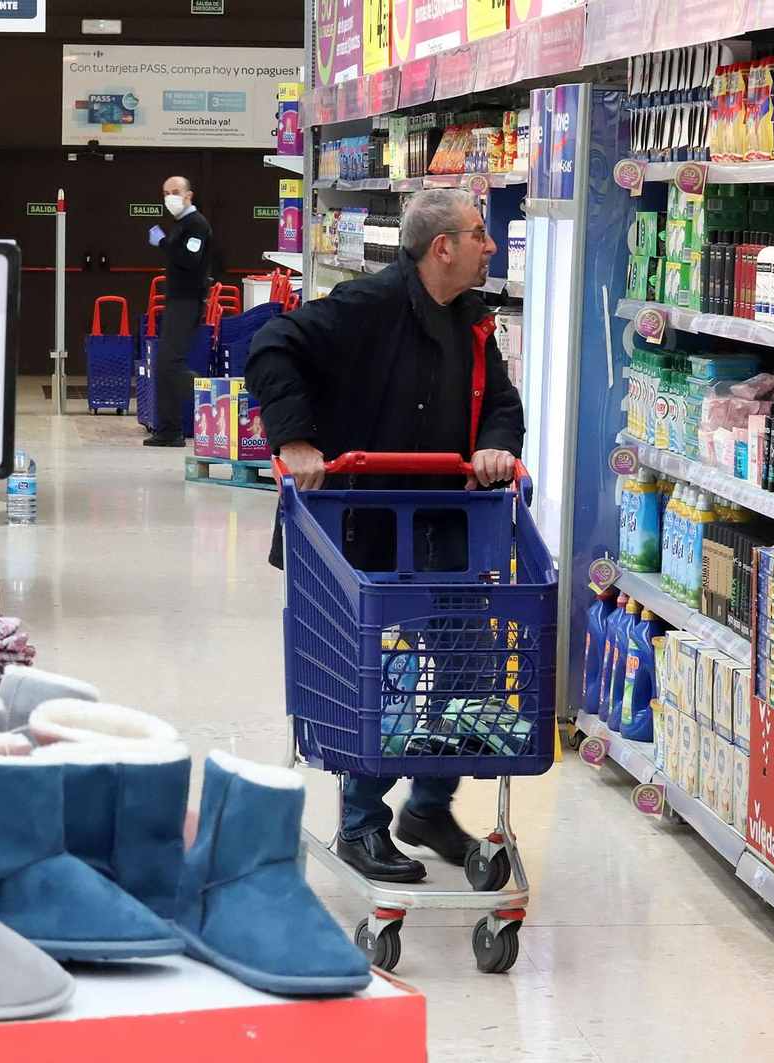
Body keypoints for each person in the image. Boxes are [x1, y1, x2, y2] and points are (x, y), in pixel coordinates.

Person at [245, 188, 524, 883]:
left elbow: (503, 405)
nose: (492, 246)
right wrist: (297, 441)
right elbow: (270, 345)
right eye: (480, 235)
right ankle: (361, 823)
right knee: (378, 681)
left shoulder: (473, 320)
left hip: (444, 527)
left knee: (468, 664)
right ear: (443, 248)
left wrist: (493, 445)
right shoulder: (367, 305)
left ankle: (428, 804)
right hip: (358, 529)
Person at [143, 175, 212, 447]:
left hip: (188, 301)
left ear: (189, 195)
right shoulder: (181, 224)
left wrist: (163, 243)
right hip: (178, 300)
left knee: (170, 364)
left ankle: (212, 400)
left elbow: (190, 260)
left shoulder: (196, 224)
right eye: (165, 192)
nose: (170, 197)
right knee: (163, 366)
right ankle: (170, 430)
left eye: (175, 191)